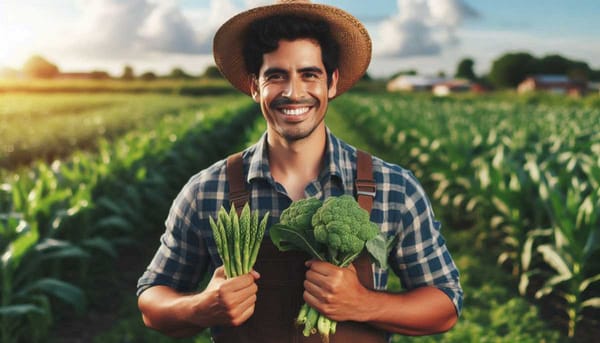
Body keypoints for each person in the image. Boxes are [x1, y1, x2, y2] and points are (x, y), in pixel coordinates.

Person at [137, 1, 462, 342]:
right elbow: (152, 299)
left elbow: (445, 304)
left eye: (309, 74)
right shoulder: (207, 190)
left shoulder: (394, 187)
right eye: (276, 76)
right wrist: (201, 307)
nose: (293, 92)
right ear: (253, 86)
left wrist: (364, 304)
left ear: (332, 83)